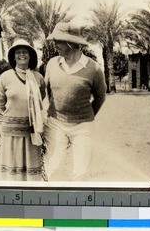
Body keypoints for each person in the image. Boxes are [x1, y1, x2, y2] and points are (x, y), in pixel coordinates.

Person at [44, 22, 107, 181]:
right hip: (55, 123)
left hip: (83, 127)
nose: (55, 45)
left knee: (81, 172)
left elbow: (100, 96)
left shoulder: (94, 69)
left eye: (58, 41)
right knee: (53, 167)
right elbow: (46, 90)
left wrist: (85, 115)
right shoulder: (52, 64)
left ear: (70, 43)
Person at [0, 39, 46, 181]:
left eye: (25, 52)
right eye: (18, 52)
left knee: (32, 174)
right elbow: (0, 103)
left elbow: (41, 99)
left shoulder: (38, 78)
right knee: (13, 173)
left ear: (30, 56)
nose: (21, 55)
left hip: (33, 132)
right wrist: (13, 120)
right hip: (12, 133)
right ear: (13, 56)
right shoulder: (5, 77)